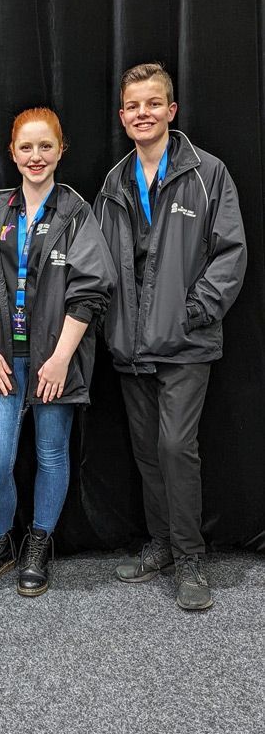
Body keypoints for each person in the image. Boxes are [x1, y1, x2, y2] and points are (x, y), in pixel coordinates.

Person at [94, 63, 246, 610]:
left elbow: (230, 253)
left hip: (185, 343)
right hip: (130, 345)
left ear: (171, 110)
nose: (143, 113)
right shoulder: (113, 181)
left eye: (153, 104)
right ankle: (159, 542)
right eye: (134, 106)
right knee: (146, 452)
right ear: (122, 115)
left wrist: (194, 312)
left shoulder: (209, 173)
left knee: (177, 448)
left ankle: (190, 558)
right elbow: (99, 264)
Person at [0, 108, 116, 596]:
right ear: (12, 152)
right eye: (26, 147)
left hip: (55, 359)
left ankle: (39, 543)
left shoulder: (76, 213)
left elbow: (91, 289)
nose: (35, 156)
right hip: (2, 358)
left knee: (51, 454)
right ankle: (1, 540)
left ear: (60, 149)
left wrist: (61, 358)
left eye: (45, 146)